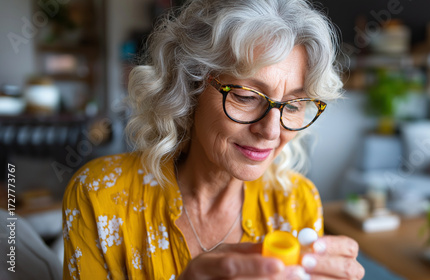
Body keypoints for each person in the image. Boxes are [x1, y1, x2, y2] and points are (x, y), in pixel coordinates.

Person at [62, 0, 365, 279]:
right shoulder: (100, 196)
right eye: (246, 97)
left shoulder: (297, 202)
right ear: (189, 86)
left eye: (294, 105)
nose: (271, 131)